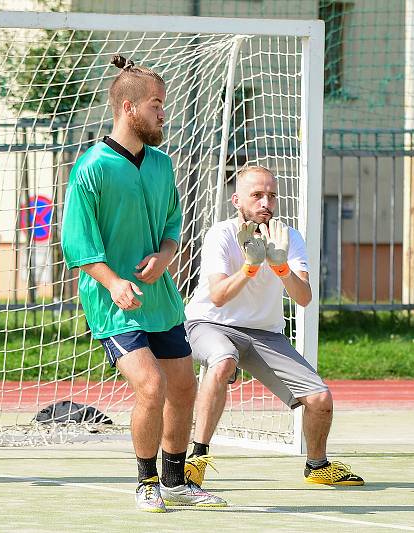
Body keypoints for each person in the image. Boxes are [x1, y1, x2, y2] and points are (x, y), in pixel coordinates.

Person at [61, 54, 226, 512]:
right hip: (114, 304)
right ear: (128, 107)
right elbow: (77, 245)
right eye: (156, 104)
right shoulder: (91, 167)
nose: (163, 113)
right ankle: (146, 482)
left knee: (183, 386)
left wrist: (166, 257)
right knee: (150, 385)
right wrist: (113, 282)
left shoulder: (161, 164)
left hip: (160, 299)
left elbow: (173, 224)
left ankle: (176, 480)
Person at [183, 165, 364, 487]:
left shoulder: (288, 236)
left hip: (265, 333)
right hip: (210, 323)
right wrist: (251, 267)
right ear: (237, 200)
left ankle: (317, 465)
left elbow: (304, 297)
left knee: (320, 400)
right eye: (257, 195)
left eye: (271, 195)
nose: (266, 202)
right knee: (223, 360)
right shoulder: (221, 234)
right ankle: (197, 458)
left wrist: (279, 266)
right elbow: (219, 296)